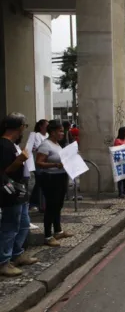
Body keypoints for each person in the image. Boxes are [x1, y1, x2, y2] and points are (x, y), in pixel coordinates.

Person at [0, 113, 38, 276]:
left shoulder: (13, 144)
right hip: (10, 193)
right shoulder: (3, 145)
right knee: (10, 227)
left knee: (23, 223)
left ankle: (17, 254)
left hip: (20, 192)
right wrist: (19, 160)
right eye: (24, 126)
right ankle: (4, 262)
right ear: (19, 127)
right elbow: (4, 172)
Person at [36, 120, 74, 247]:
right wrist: (56, 165)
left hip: (61, 177)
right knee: (51, 206)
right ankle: (48, 235)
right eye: (60, 131)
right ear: (52, 132)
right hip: (51, 179)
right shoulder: (45, 145)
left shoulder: (57, 144)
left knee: (58, 205)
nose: (62, 133)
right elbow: (39, 163)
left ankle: (58, 230)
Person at [30, 119, 49, 213]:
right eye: (46, 125)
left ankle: (42, 203)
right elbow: (39, 147)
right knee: (39, 183)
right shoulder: (37, 135)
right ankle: (33, 203)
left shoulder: (48, 135)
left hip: (47, 162)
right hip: (38, 162)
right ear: (41, 126)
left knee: (43, 183)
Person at [114, 127, 125, 198]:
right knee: (121, 178)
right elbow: (116, 151)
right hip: (120, 162)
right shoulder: (117, 141)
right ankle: (120, 193)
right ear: (123, 132)